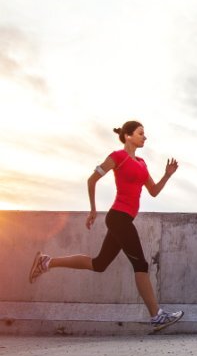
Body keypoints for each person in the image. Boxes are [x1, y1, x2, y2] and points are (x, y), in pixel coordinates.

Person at [29, 120, 184, 330]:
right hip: (118, 217)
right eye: (140, 133)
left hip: (125, 219)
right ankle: (156, 316)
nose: (144, 137)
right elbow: (91, 180)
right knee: (141, 265)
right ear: (128, 136)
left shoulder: (142, 163)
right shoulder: (117, 157)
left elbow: (153, 191)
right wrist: (93, 210)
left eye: (144, 134)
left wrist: (167, 175)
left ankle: (47, 262)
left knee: (99, 264)